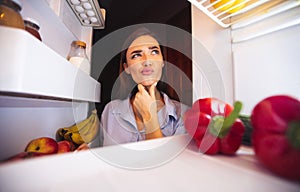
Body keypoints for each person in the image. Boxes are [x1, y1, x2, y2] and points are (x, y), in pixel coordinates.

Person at [100, 27, 190, 146]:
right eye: (136, 55)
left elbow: (170, 164)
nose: (147, 61)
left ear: (162, 62)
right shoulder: (110, 110)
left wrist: (150, 118)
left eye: (154, 52)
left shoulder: (185, 114)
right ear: (127, 68)